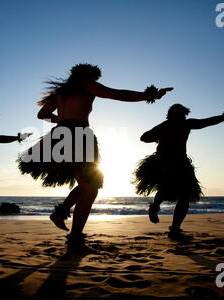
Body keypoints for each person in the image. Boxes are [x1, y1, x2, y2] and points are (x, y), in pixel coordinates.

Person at [18, 63, 173, 251]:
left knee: (90, 184)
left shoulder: (61, 91)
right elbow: (118, 94)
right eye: (94, 78)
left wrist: (62, 120)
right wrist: (150, 95)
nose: (95, 81)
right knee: (91, 187)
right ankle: (74, 240)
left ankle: (62, 215)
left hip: (60, 135)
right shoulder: (86, 84)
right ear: (88, 75)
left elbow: (42, 114)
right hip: (77, 135)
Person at [133, 104, 224, 240]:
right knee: (168, 191)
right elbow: (144, 137)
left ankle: (173, 226)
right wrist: (223, 117)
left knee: (182, 195)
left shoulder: (178, 124)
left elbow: (205, 122)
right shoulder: (170, 125)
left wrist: (222, 117)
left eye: (182, 115)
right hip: (165, 163)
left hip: (180, 164)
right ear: (174, 115)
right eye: (179, 115)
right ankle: (159, 212)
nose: (181, 117)